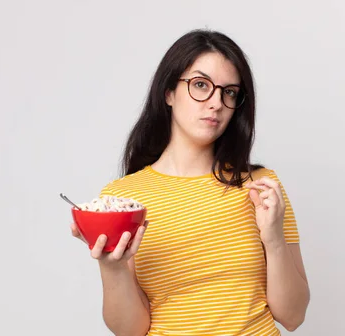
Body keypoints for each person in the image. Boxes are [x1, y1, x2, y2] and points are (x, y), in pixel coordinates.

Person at [70, 29, 310, 335]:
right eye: (200, 85)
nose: (216, 103)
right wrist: (112, 267)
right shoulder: (123, 199)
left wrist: (274, 238)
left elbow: (293, 316)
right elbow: (131, 331)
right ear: (169, 92)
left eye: (230, 92)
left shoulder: (261, 187)